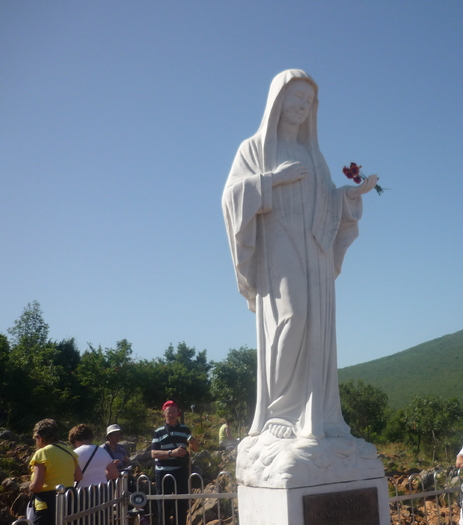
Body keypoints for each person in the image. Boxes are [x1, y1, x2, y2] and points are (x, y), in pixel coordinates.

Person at [222, 69, 377, 441]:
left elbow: (326, 201)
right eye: (296, 98)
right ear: (278, 100)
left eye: (309, 102)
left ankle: (317, 416)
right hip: (277, 246)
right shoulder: (254, 149)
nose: (302, 107)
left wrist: (349, 197)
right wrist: (273, 179)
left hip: (314, 250)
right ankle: (281, 411)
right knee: (292, 315)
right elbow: (231, 198)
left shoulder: (314, 155)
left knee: (317, 326)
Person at [151, 400, 199, 525]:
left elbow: (195, 449)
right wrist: (172, 453)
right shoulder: (158, 432)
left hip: (181, 471)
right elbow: (153, 453)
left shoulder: (185, 430)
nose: (171, 415)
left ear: (178, 413)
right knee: (164, 504)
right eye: (168, 413)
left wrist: (194, 444)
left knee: (181, 503)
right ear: (164, 415)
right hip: (163, 473)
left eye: (173, 412)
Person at [28, 419, 82, 525]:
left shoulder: (42, 453)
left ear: (40, 437)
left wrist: (29, 487)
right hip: (69, 500)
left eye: (35, 438)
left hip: (47, 504)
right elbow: (79, 476)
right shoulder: (69, 451)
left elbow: (37, 485)